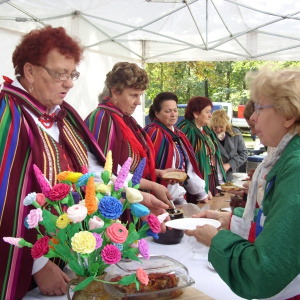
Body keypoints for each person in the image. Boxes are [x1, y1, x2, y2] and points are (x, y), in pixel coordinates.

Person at [0, 28, 169, 299]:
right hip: (22, 265)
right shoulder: (8, 116)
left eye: (72, 74)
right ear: (30, 72)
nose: (69, 84)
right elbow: (3, 201)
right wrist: (38, 264)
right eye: (60, 74)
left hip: (62, 255)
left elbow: (89, 170)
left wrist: (134, 194)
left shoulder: (60, 115)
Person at [185, 66, 300, 299]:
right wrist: (230, 221)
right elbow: (278, 229)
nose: (253, 117)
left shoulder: (295, 167)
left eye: (260, 107)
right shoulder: (288, 158)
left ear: (288, 115)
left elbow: (263, 272)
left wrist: (216, 239)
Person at [85, 62, 174, 206]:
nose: (138, 102)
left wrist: (156, 175)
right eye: (133, 95)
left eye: (140, 95)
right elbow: (107, 173)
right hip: (116, 204)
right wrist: (149, 188)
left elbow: (126, 167)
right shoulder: (102, 118)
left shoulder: (124, 119)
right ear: (114, 92)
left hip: (131, 198)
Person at [144, 92, 209, 204]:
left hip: (179, 195)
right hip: (158, 198)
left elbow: (188, 165)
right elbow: (145, 167)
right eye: (168, 111)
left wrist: (201, 192)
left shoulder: (178, 134)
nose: (173, 114)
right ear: (157, 113)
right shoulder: (152, 133)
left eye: (175, 110)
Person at [177, 96, 226, 196]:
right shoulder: (186, 130)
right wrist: (201, 191)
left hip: (210, 177)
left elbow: (214, 156)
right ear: (196, 113)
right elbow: (186, 162)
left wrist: (220, 180)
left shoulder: (206, 130)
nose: (210, 115)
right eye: (207, 112)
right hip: (196, 184)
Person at [210, 109, 248, 182]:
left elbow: (244, 153)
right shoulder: (208, 134)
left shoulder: (235, 133)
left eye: (221, 127)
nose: (218, 130)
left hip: (231, 175)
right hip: (214, 177)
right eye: (215, 127)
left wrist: (229, 164)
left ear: (226, 124)